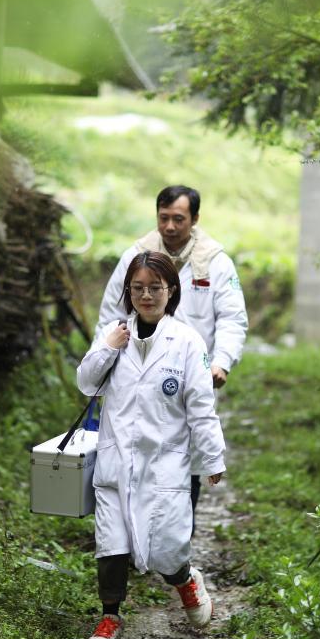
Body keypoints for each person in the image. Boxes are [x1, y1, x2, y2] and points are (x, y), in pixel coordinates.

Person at [79, 251, 226, 639]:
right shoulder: (115, 333)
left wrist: (212, 458)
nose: (146, 295)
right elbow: (86, 384)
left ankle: (185, 579)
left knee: (167, 548)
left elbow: (200, 406)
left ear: (170, 291)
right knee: (112, 544)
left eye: (155, 288)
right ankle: (109, 617)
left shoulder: (187, 342)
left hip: (164, 465)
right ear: (129, 292)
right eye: (138, 288)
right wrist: (107, 348)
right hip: (115, 462)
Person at [95, 185, 247, 520]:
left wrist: (221, 363)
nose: (170, 227)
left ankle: (177, 539)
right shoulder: (136, 257)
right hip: (138, 369)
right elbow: (109, 316)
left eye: (179, 219)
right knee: (134, 448)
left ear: (195, 218)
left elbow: (233, 319)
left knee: (187, 451)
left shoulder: (215, 262)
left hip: (190, 373)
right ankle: (132, 535)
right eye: (164, 218)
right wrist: (103, 361)